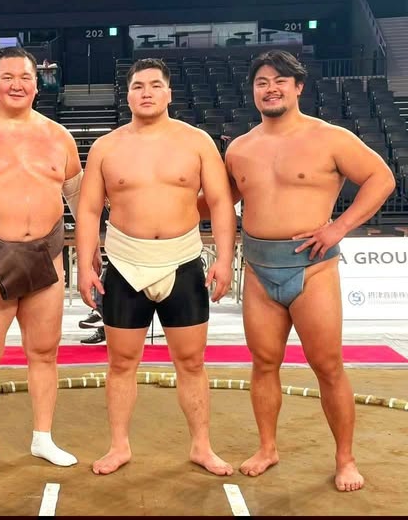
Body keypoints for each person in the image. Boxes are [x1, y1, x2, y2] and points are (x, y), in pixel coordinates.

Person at [199, 50, 395, 492]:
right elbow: (217, 203)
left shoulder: (331, 138)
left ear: (298, 87)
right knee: (264, 363)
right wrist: (153, 201)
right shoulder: (240, 148)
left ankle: (345, 459)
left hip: (313, 270)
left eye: (279, 81)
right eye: (262, 82)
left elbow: (382, 178)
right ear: (253, 91)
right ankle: (267, 448)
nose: (270, 89)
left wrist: (338, 227)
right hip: (258, 270)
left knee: (328, 365)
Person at [0, 46, 101, 477]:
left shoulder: (60, 136)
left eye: (25, 77)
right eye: (7, 77)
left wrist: (90, 254)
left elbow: (80, 200)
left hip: (47, 255)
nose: (17, 84)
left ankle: (43, 437)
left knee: (45, 352)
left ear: (37, 84)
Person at [76, 58, 236, 476]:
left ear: (168, 93)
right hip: (124, 263)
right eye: (138, 86)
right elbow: (89, 209)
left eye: (154, 85)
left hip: (182, 261)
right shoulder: (106, 147)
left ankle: (202, 446)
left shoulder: (197, 142)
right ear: (128, 95)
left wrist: (224, 258)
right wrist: (85, 265)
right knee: (120, 363)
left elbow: (221, 202)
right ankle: (119, 446)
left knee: (192, 362)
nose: (146, 92)